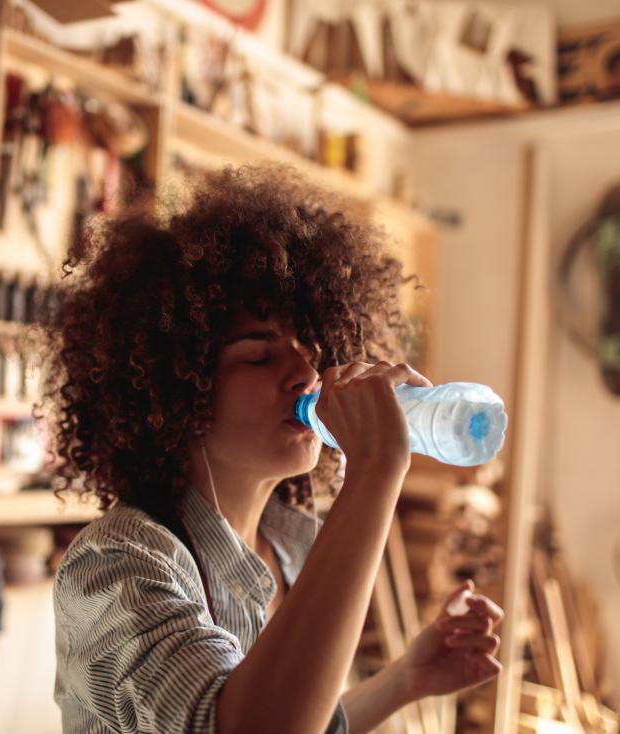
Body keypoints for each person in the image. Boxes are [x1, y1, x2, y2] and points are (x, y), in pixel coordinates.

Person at [47, 165, 504, 733]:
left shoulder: (290, 548)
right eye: (260, 356)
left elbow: (293, 715)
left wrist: (404, 680)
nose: (307, 373)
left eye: (311, 347)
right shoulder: (117, 566)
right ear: (174, 388)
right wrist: (375, 473)